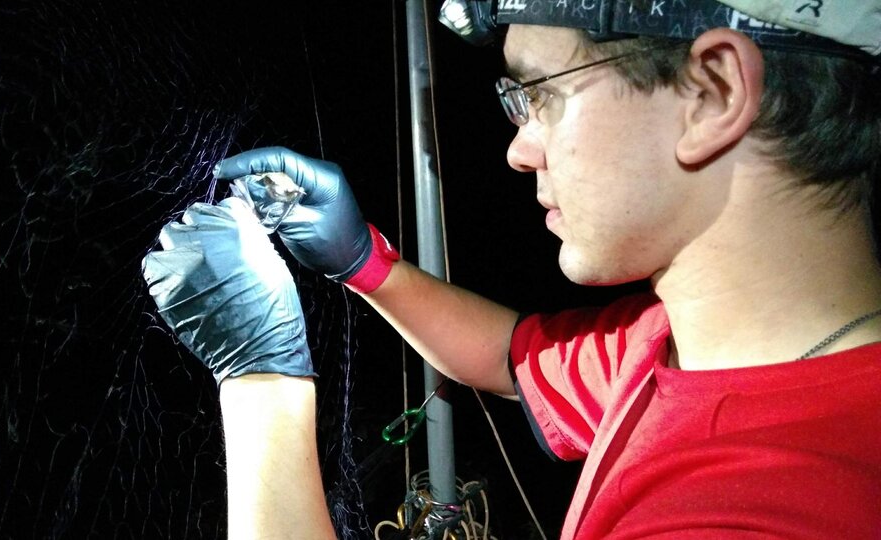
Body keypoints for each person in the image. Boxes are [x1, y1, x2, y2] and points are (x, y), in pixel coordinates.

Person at [143, 0, 881, 538]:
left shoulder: (765, 511)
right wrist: (364, 260)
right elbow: (510, 355)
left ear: (712, 93)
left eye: (541, 94)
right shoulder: (683, 343)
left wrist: (261, 381)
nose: (519, 150)